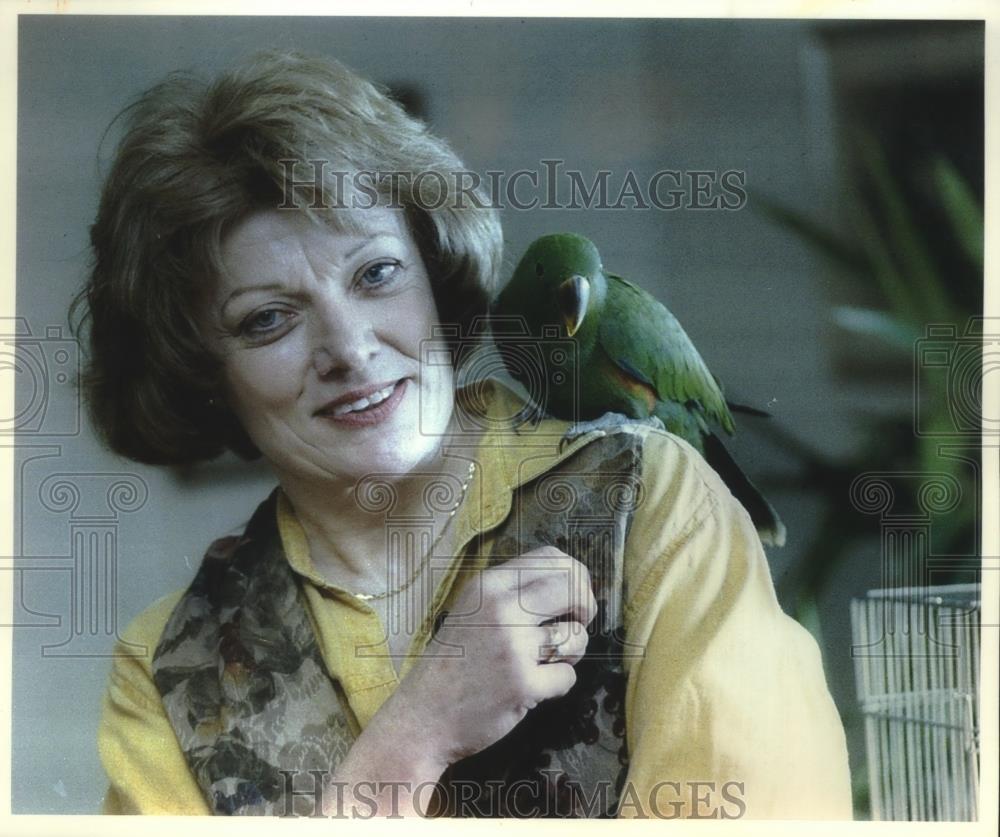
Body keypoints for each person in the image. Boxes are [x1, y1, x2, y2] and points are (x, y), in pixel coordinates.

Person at [77, 50, 853, 818]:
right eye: (268, 319)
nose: (350, 349)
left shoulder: (653, 504)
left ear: (435, 270)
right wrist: (411, 740)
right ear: (202, 372)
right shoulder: (166, 669)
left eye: (375, 274)